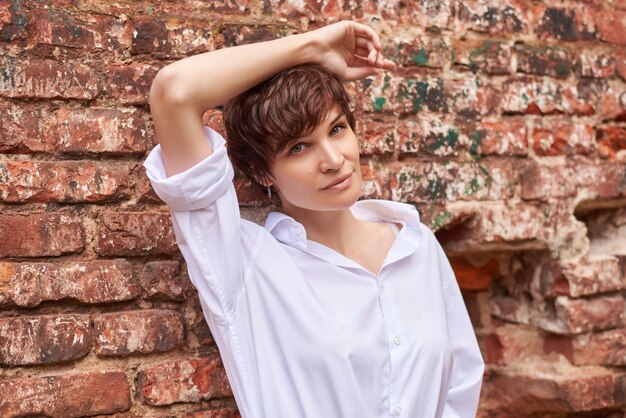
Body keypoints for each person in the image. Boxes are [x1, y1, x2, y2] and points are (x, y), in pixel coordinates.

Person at [143, 20, 484, 418]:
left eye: (337, 129)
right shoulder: (245, 266)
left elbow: (460, 390)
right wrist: (312, 46)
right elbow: (174, 92)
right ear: (263, 172)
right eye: (299, 147)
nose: (334, 160)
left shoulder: (416, 245)